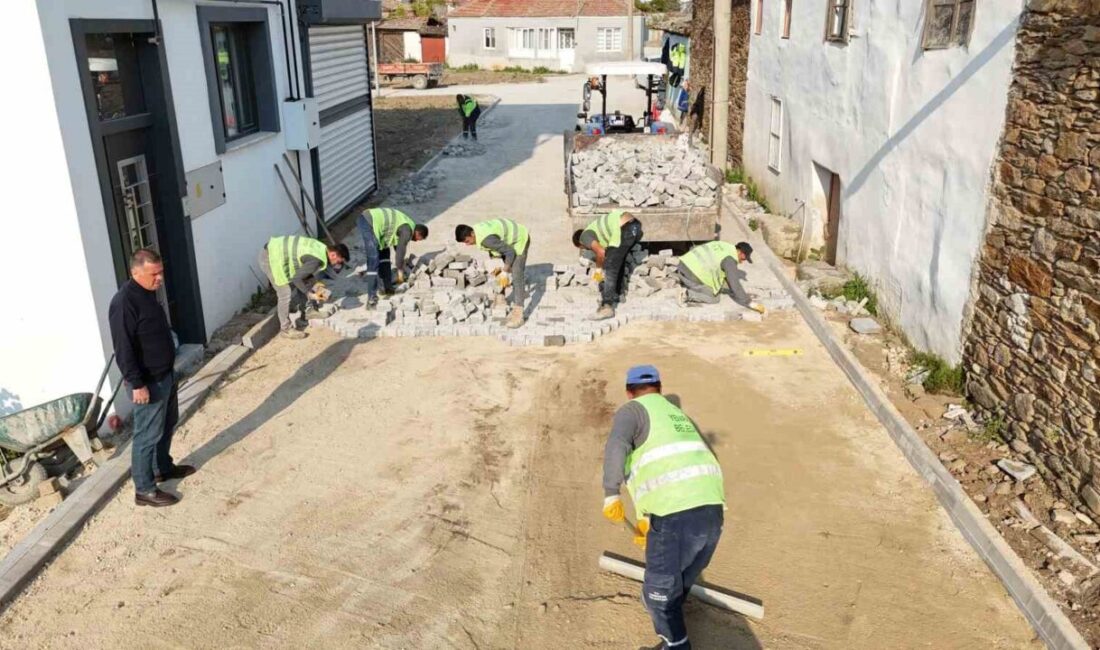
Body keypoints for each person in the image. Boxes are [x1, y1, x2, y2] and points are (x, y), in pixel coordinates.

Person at [602, 365, 725, 650]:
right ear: (658, 387)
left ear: (629, 393)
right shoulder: (677, 416)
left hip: (674, 516)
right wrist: (646, 520)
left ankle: (676, 645)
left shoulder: (631, 410)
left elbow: (617, 443)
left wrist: (611, 493)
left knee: (657, 596)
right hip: (712, 511)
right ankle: (674, 629)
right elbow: (671, 466)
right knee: (678, 584)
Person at [108, 249, 196, 508]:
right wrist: (137, 384)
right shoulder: (124, 302)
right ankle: (144, 489)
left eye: (161, 272)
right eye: (153, 274)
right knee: (146, 435)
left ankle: (163, 468)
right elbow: (123, 348)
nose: (159, 279)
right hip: (147, 382)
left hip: (164, 374)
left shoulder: (148, 294)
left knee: (167, 424)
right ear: (135, 272)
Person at [258, 235, 349, 339]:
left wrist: (320, 291)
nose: (337, 265)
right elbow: (297, 279)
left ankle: (308, 311)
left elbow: (306, 275)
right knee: (285, 293)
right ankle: (286, 329)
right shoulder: (316, 259)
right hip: (270, 258)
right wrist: (310, 294)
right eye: (339, 261)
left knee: (306, 280)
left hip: (277, 252)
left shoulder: (322, 248)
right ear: (333, 255)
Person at [455, 219, 529, 329]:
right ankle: (501, 296)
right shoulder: (477, 232)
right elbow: (495, 249)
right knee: (496, 267)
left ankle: (519, 314)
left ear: (472, 233)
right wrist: (498, 268)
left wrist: (505, 271)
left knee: (517, 274)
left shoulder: (486, 239)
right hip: (505, 243)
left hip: (519, 239)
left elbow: (510, 252)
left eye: (467, 241)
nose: (467, 244)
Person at [572, 210, 643, 320]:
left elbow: (600, 252)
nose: (587, 248)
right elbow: (606, 252)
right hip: (636, 227)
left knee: (610, 268)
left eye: (583, 248)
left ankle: (607, 306)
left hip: (624, 228)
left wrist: (598, 271)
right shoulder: (596, 231)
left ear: (580, 244)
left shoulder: (584, 236)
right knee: (618, 261)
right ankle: (618, 294)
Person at [356, 207, 429, 306]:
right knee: (374, 259)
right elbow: (400, 251)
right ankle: (371, 298)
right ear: (418, 233)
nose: (417, 241)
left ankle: (387, 288)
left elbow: (397, 247)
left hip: (380, 229)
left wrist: (401, 262)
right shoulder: (407, 231)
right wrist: (400, 272)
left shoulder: (406, 226)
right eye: (419, 239)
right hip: (368, 221)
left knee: (385, 255)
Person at [677, 240, 765, 313]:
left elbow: (727, 279)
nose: (742, 262)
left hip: (684, 263)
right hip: (690, 272)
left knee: (722, 285)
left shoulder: (726, 247)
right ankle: (687, 295)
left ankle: (683, 280)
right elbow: (735, 284)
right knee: (714, 298)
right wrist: (749, 303)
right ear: (742, 254)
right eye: (744, 259)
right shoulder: (730, 260)